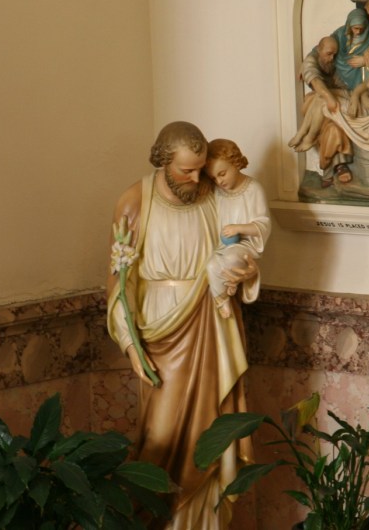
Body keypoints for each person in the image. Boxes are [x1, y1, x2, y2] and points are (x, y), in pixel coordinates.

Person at [106, 122, 258, 529]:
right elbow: (120, 282)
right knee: (162, 435)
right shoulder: (135, 201)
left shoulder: (215, 195)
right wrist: (130, 343)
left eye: (200, 168)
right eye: (185, 170)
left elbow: (239, 248)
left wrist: (243, 270)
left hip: (213, 322)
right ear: (162, 162)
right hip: (160, 329)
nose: (196, 178)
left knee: (214, 427)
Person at [203, 139, 270, 316]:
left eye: (222, 174)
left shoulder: (253, 189)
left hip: (244, 245)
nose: (219, 181)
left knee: (232, 258)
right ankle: (222, 299)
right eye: (214, 178)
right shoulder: (217, 192)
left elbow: (263, 225)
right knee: (211, 265)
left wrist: (238, 228)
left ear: (235, 163)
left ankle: (231, 284)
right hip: (221, 245)